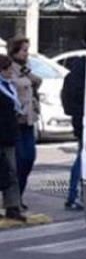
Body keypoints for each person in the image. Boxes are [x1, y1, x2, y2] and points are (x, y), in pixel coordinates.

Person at [8, 36, 41, 210]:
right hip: (17, 121)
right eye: (24, 50)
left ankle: (18, 196)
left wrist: (28, 73)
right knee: (19, 161)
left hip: (28, 120)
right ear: (14, 52)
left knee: (29, 158)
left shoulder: (25, 69)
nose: (26, 54)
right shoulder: (9, 69)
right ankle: (13, 200)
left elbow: (37, 81)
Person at [0, 55, 25, 221]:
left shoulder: (10, 86)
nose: (10, 72)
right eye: (7, 69)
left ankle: (13, 206)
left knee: (12, 171)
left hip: (8, 135)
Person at [61, 56, 85, 210]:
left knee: (82, 155)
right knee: (83, 158)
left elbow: (66, 101)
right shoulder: (85, 77)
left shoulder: (70, 77)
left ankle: (74, 194)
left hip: (77, 119)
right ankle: (74, 194)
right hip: (85, 119)